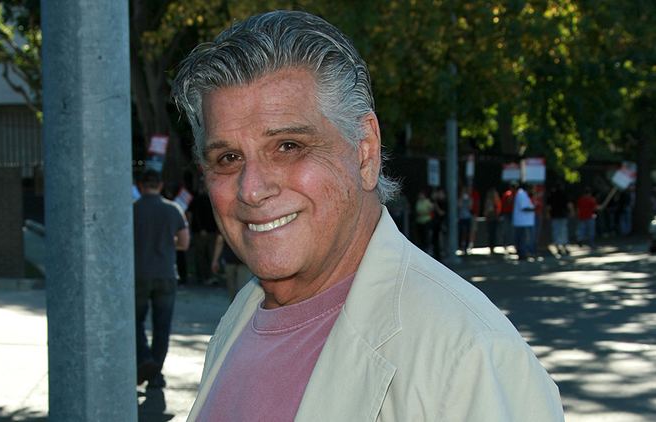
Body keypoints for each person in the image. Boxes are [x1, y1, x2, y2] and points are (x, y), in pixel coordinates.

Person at [173, 10, 563, 421]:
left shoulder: (469, 356)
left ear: (365, 152)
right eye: (228, 158)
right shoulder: (243, 314)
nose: (252, 188)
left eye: (288, 146)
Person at [133, 169, 190, 389]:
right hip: (166, 273)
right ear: (160, 185)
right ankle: (156, 373)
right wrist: (168, 244)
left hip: (138, 274)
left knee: (135, 322)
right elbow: (184, 243)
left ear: (140, 185)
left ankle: (145, 358)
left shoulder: (131, 210)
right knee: (162, 326)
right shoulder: (173, 209)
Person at [187, 184, 219, 285]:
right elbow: (193, 215)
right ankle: (205, 276)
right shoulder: (201, 199)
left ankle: (206, 276)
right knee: (205, 255)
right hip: (205, 231)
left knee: (205, 255)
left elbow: (191, 215)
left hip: (206, 231)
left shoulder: (210, 199)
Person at [211, 234, 253, 301]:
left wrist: (215, 260)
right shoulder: (247, 223)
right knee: (243, 289)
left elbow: (220, 241)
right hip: (244, 260)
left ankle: (233, 308)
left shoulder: (226, 224)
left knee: (232, 289)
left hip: (230, 260)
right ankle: (243, 308)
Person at [547, 182, 573, 255]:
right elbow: (569, 204)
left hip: (554, 215)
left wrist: (548, 214)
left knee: (556, 231)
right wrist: (571, 212)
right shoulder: (564, 194)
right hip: (563, 215)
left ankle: (558, 247)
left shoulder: (552, 194)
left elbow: (548, 206)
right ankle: (564, 246)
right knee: (563, 231)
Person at [512, 183, 536, 260]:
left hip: (523, 221)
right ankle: (522, 253)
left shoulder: (522, 194)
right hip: (523, 222)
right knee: (523, 239)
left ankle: (522, 253)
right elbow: (524, 207)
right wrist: (534, 208)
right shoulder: (522, 194)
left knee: (521, 238)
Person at [483, 187, 502, 255]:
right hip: (491, 219)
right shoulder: (490, 201)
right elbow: (487, 211)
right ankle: (491, 247)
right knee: (491, 234)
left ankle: (492, 247)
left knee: (492, 234)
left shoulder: (495, 201)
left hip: (493, 219)